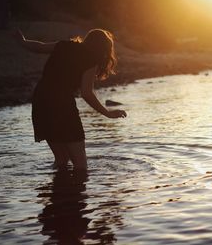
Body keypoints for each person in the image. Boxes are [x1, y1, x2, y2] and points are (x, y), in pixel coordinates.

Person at [14, 28, 127, 173]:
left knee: (61, 161)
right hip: (62, 105)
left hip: (41, 100)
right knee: (81, 167)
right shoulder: (90, 60)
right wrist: (107, 113)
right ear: (103, 49)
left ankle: (58, 192)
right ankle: (73, 194)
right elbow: (86, 93)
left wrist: (22, 42)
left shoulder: (64, 45)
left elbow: (40, 47)